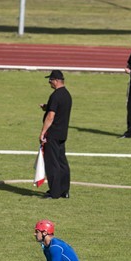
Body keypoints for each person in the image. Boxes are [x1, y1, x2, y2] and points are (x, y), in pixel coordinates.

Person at [39, 70, 72, 199]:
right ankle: (65, 191)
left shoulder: (55, 95)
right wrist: (47, 107)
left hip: (52, 134)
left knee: (52, 164)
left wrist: (43, 132)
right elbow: (59, 109)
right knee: (62, 162)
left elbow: (51, 116)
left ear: (56, 81)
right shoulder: (67, 95)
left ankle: (54, 192)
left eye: (51, 80)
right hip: (62, 134)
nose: (49, 82)